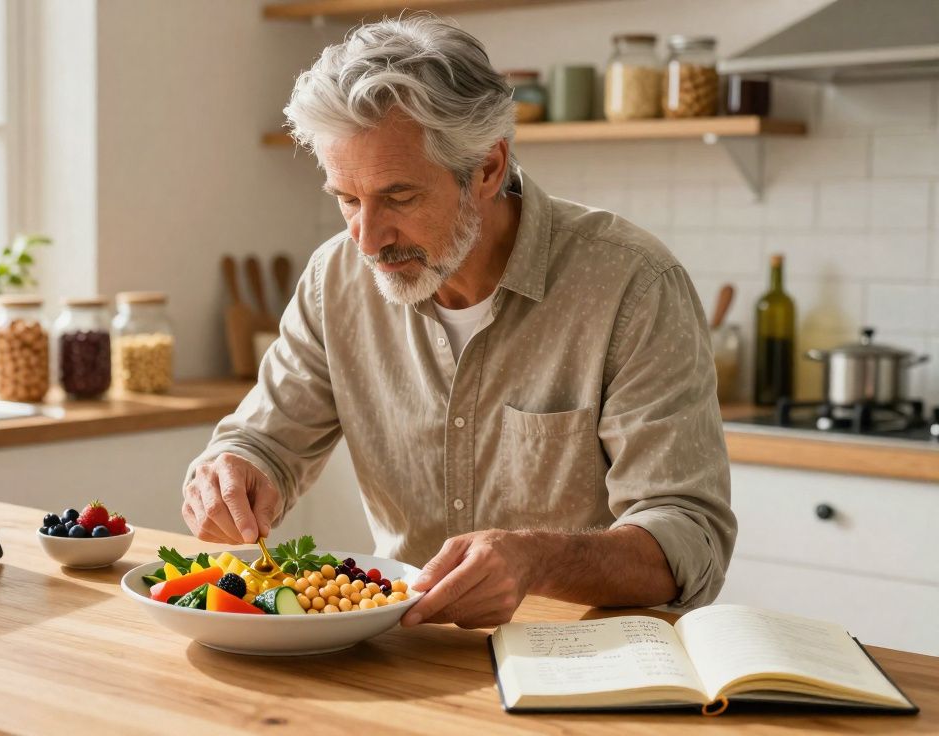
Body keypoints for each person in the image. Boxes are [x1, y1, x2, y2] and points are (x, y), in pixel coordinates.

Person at [182, 15, 735, 629]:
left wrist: (537, 559)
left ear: (488, 170)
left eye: (399, 197)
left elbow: (689, 539)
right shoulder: (333, 280)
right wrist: (231, 475)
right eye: (346, 199)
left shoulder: (632, 286)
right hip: (401, 654)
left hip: (585, 668)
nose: (368, 238)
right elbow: (261, 443)